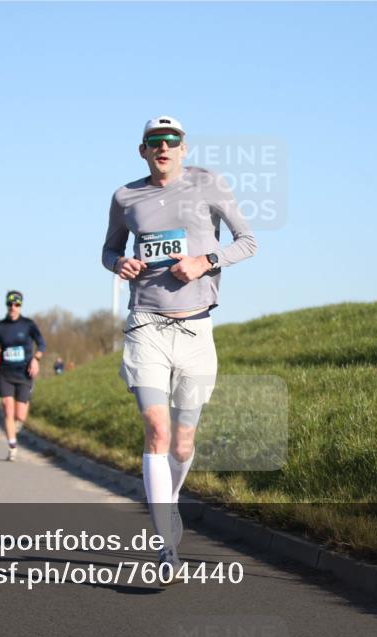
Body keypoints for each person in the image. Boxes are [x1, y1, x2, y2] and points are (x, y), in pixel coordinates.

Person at [101, 115, 257, 577]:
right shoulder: (125, 197)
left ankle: (167, 502)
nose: (163, 147)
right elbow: (108, 250)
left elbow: (248, 242)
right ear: (143, 150)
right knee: (157, 430)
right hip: (146, 325)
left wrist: (205, 261)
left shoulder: (208, 183)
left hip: (196, 328)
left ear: (183, 148)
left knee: (183, 445)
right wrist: (119, 264)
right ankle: (165, 543)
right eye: (155, 141)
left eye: (171, 141)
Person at [0, 290, 46, 461]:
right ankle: (12, 447)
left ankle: (15, 427)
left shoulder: (28, 325)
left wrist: (36, 359)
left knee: (20, 416)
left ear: (20, 305)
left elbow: (41, 344)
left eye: (16, 304)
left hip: (24, 374)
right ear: (6, 305)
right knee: (8, 408)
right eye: (10, 304)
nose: (13, 307)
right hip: (5, 373)